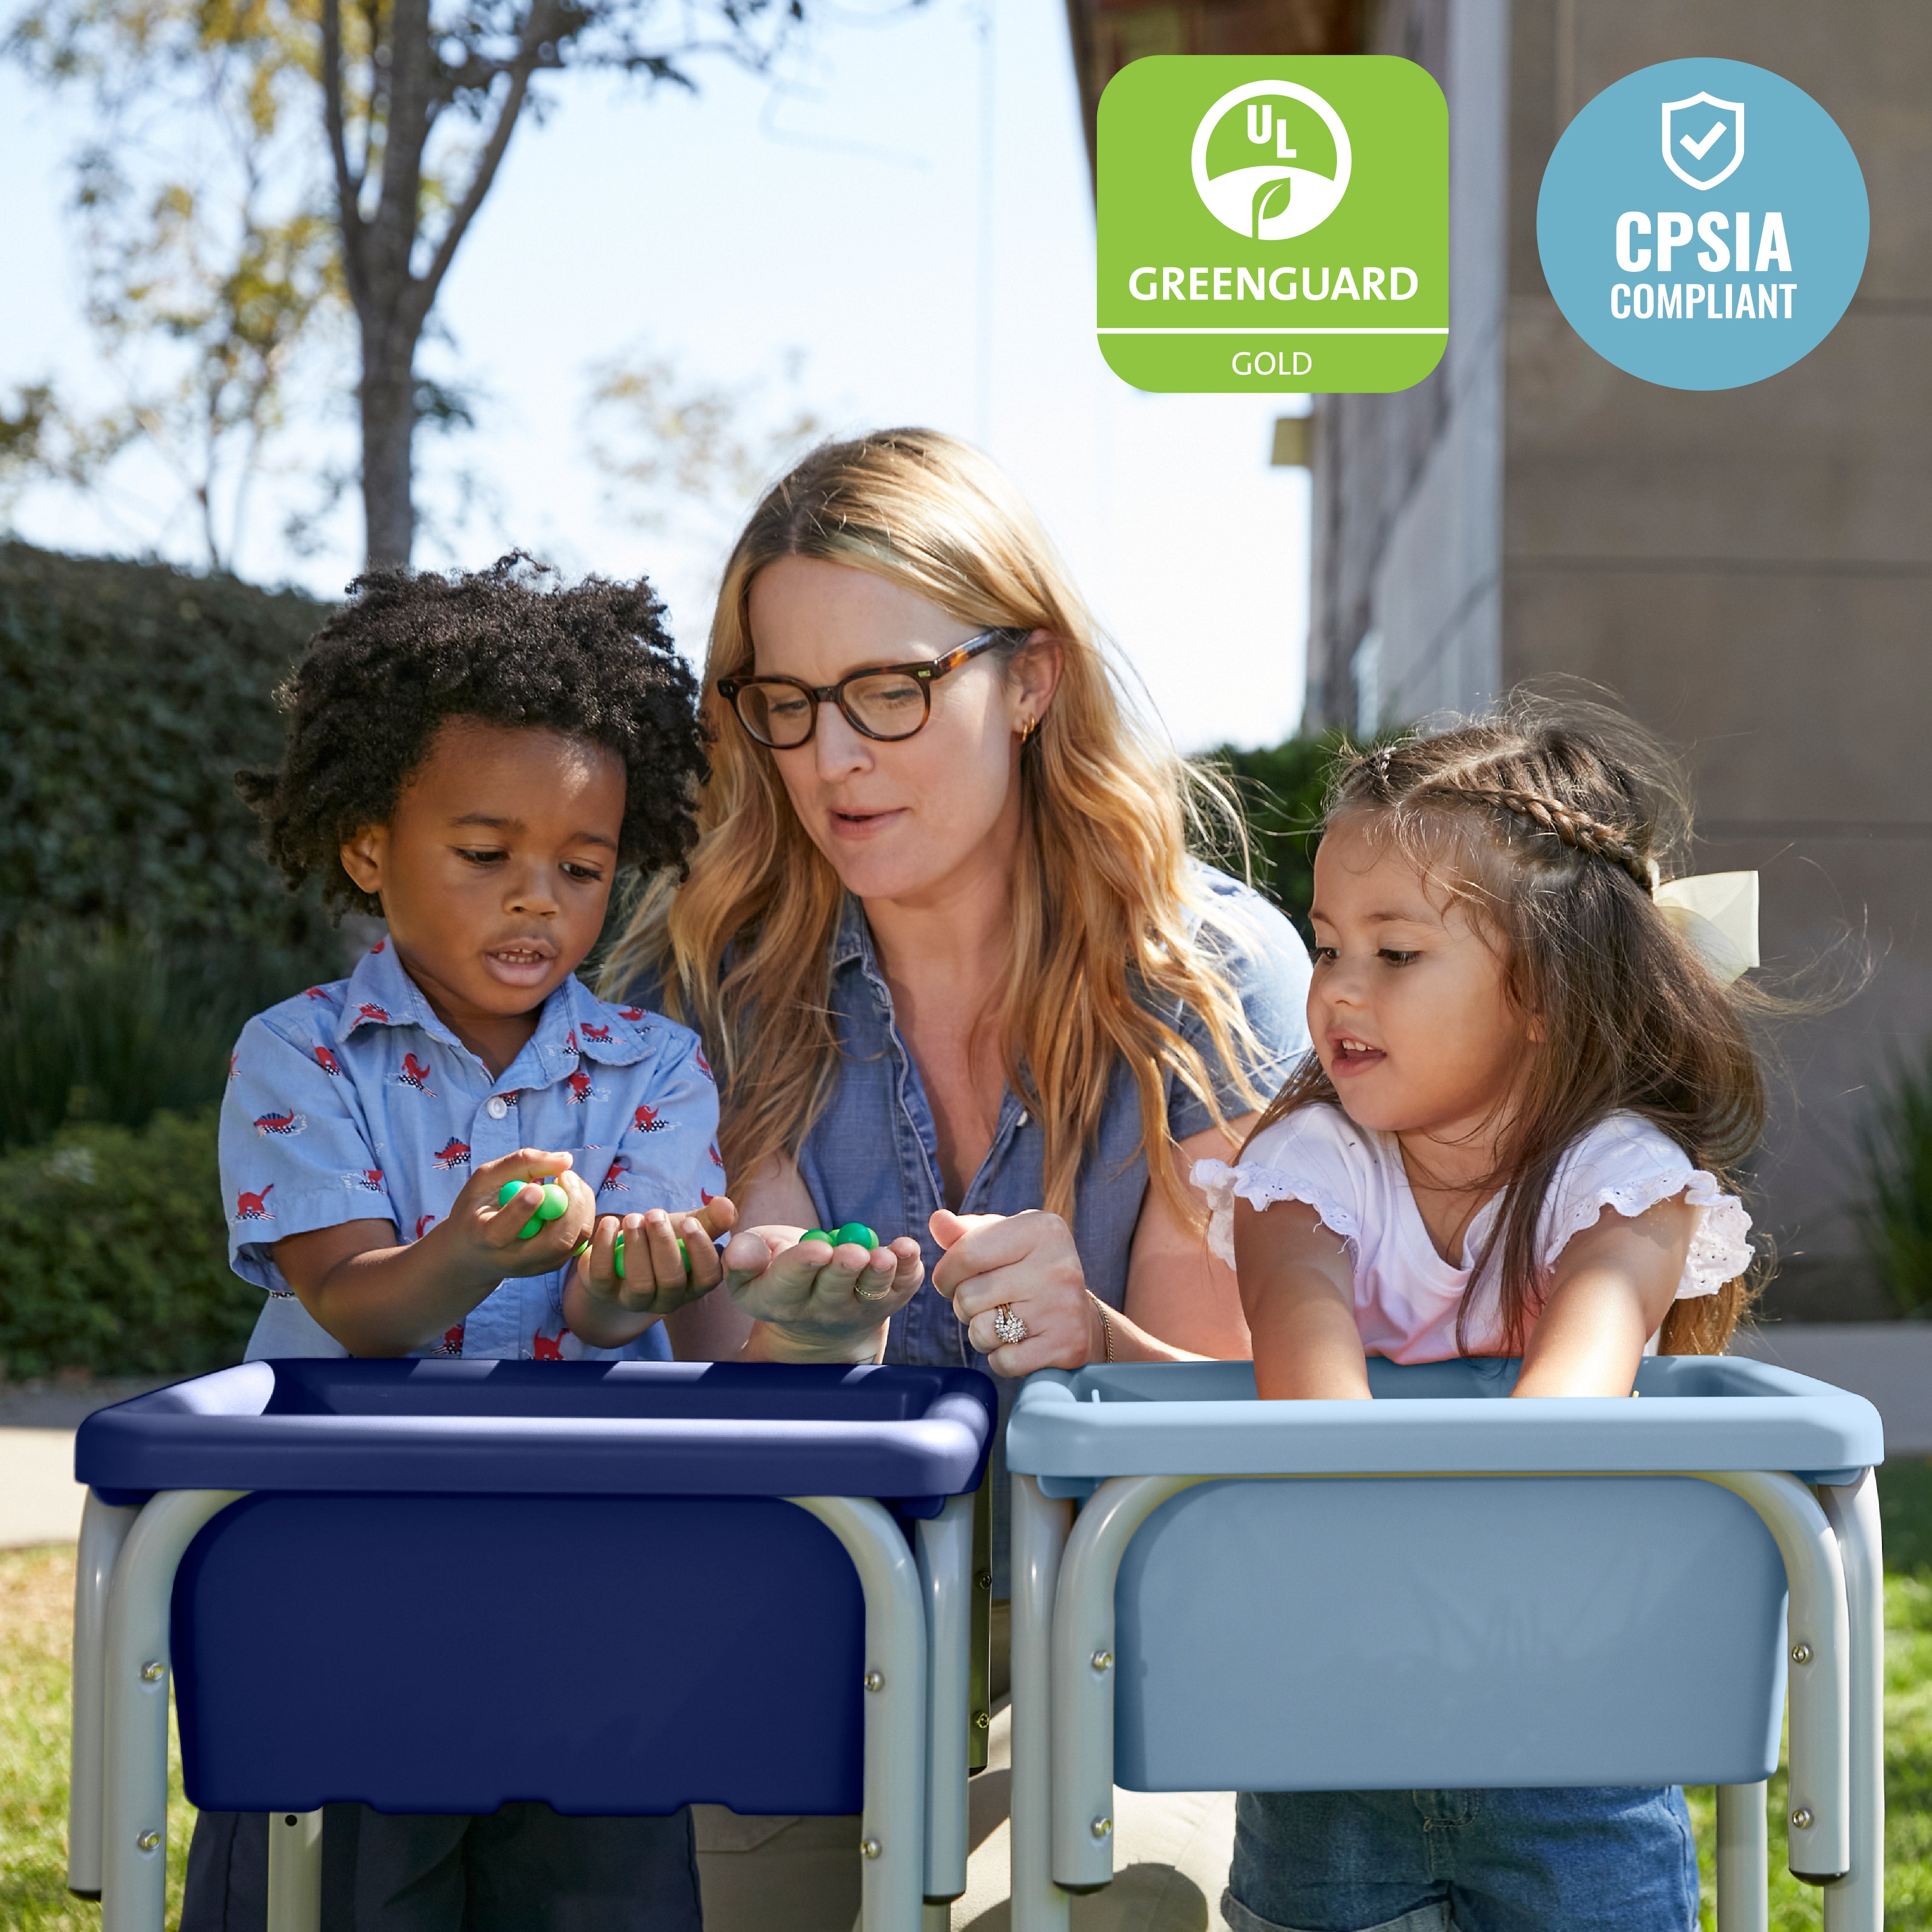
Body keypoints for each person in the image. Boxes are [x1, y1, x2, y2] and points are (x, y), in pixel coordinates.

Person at [600, 426, 1314, 1925]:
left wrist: (1096, 1343)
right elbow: (749, 1436)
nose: (833, 759)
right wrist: (797, 1341)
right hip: (810, 1616)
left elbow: (1234, 1417)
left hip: (1127, 1609)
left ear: (1031, 678)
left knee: (1121, 1912)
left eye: (892, 690)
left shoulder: (1206, 969)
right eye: (786, 705)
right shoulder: (718, 982)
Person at [186, 556, 728, 1932]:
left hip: (591, 1599)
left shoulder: (654, 1068)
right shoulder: (300, 1055)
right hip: (351, 1593)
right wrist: (475, 1247)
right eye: (486, 856)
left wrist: (634, 1276)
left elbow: (612, 1318)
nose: (537, 898)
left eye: (583, 866)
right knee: (345, 1898)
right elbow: (356, 1305)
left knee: (595, 1900)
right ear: (372, 848)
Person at [1197, 696, 1763, 1932]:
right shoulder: (1301, 1166)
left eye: (1393, 954)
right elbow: (1311, 1396)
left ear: (1546, 992)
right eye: (1326, 944)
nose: (1337, 988)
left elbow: (1566, 1403)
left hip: (1575, 1739)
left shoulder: (1620, 1178)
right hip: (1324, 1749)